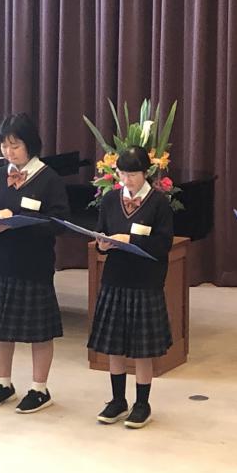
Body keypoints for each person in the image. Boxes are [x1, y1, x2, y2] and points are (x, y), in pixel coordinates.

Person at [0, 113, 70, 414]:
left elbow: (59, 222)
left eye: (15, 146)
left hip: (32, 264)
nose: (9, 152)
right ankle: (4, 383)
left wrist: (21, 221)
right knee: (1, 328)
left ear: (30, 144)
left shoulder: (48, 178)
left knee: (38, 330)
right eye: (4, 146)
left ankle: (40, 388)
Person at [88, 146, 174, 429]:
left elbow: (163, 245)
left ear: (146, 173)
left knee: (142, 348)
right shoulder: (110, 200)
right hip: (115, 278)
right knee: (114, 344)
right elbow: (101, 233)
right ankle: (117, 400)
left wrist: (130, 240)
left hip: (145, 281)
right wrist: (102, 245)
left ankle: (142, 403)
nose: (128, 180)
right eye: (123, 174)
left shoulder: (159, 203)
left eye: (133, 174)